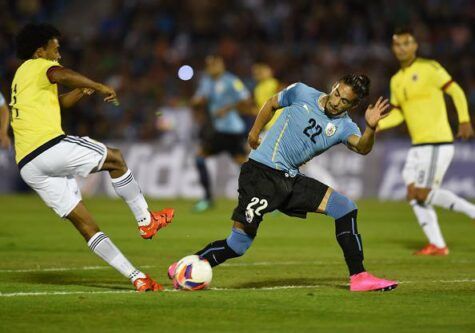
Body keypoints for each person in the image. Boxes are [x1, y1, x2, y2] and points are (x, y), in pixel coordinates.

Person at [169, 74, 398, 292]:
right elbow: (271, 103)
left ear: (353, 106)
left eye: (345, 101)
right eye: (338, 94)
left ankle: (359, 277)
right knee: (238, 244)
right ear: (335, 85)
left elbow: (362, 147)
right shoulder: (302, 92)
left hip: (289, 179)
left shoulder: (345, 126)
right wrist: (254, 132)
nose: (337, 102)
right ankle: (186, 265)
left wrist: (371, 128)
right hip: (261, 175)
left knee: (345, 208)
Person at [9, 23, 174, 291]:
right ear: (40, 51)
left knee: (86, 226)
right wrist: (97, 85)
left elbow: (58, 103)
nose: (58, 54)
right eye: (55, 49)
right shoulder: (39, 66)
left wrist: (81, 91)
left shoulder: (21, 77)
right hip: (48, 147)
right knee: (116, 159)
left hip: (29, 164)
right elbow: (60, 74)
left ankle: (137, 277)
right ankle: (146, 220)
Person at [377, 28, 475, 256]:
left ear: (414, 46)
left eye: (406, 43)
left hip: (436, 142)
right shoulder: (396, 80)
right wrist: (377, 125)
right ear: (393, 48)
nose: (401, 48)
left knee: (421, 192)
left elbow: (457, 91)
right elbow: (399, 113)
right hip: (418, 145)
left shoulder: (430, 68)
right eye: (397, 44)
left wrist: (464, 120)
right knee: (413, 193)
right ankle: (438, 245)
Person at [191, 55, 252, 212]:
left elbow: (246, 99)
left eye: (215, 64)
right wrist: (196, 103)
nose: (212, 68)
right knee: (200, 158)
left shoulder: (232, 80)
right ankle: (207, 199)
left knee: (244, 165)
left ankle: (256, 199)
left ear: (222, 65)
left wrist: (227, 108)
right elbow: (199, 98)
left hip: (233, 130)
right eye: (209, 65)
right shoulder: (206, 82)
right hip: (218, 131)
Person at [251, 62, 282, 131]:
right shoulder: (257, 89)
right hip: (268, 123)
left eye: (261, 71)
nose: (259, 73)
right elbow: (259, 106)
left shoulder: (273, 82)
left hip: (278, 120)